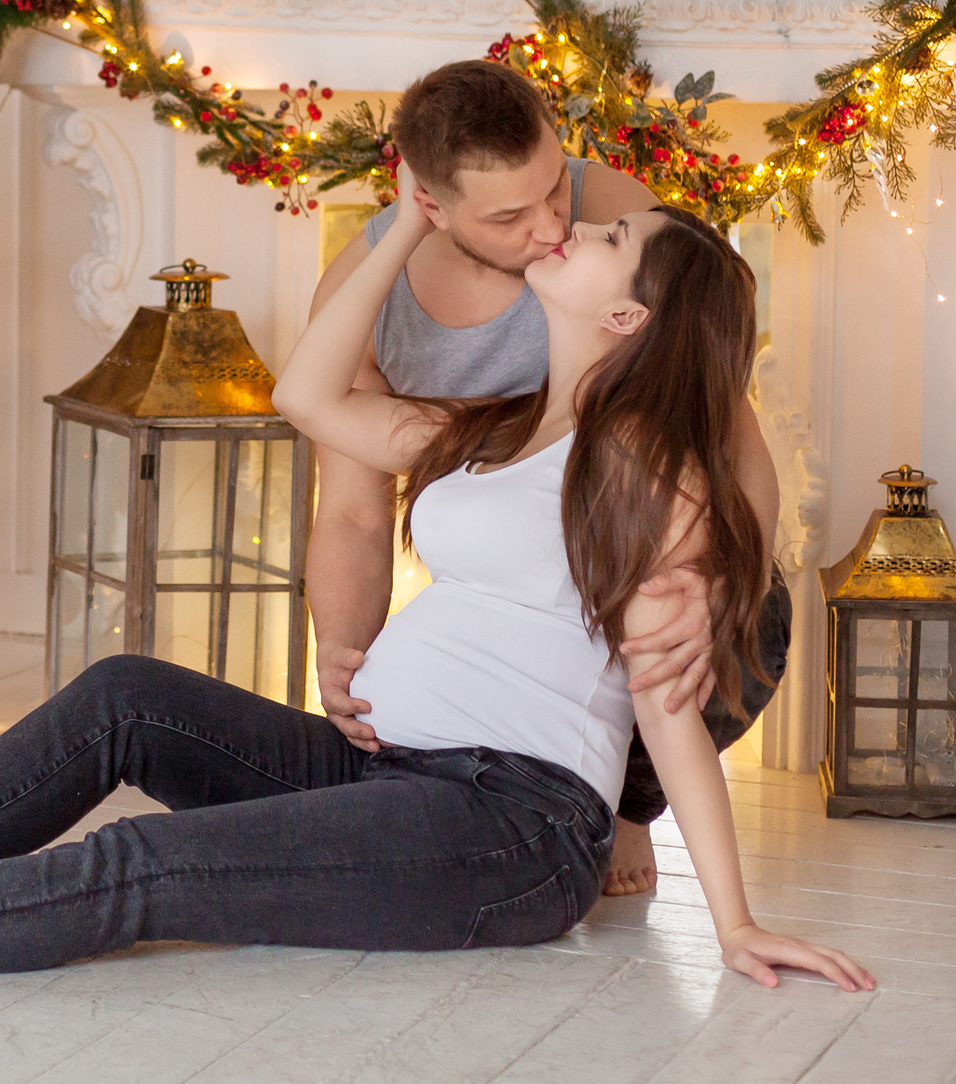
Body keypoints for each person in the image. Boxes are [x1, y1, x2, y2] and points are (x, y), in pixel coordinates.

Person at [0, 167, 871, 994]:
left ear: (632, 318)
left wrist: (735, 916)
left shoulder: (655, 473)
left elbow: (664, 707)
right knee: (121, 696)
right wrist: (404, 227)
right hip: (394, 772)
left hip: (507, 828)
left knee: (151, 866)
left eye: (605, 237)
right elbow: (307, 396)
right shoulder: (497, 427)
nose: (572, 225)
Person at [309, 60, 793, 897]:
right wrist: (344, 656)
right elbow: (352, 509)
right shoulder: (369, 294)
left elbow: (720, 417)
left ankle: (630, 801)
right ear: (429, 201)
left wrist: (711, 574)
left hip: (625, 524)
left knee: (754, 606)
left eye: (554, 191)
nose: (548, 227)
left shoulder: (609, 214)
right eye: (508, 214)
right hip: (498, 511)